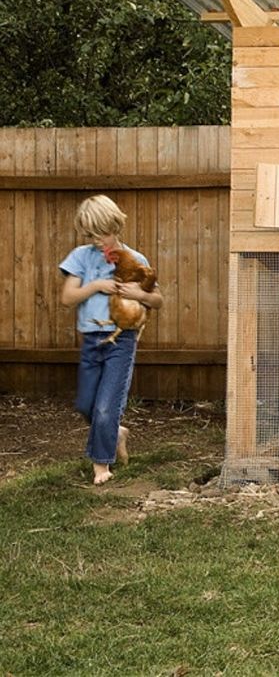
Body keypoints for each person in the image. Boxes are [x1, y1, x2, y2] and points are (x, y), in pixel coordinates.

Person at [59, 195, 163, 485]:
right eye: (90, 235)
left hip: (122, 341)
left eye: (101, 234)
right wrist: (95, 286)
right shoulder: (81, 256)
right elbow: (67, 297)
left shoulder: (137, 259)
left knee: (106, 406)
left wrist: (139, 295)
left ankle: (101, 464)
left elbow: (157, 300)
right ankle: (115, 432)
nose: (97, 241)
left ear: (116, 226)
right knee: (85, 404)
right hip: (91, 340)